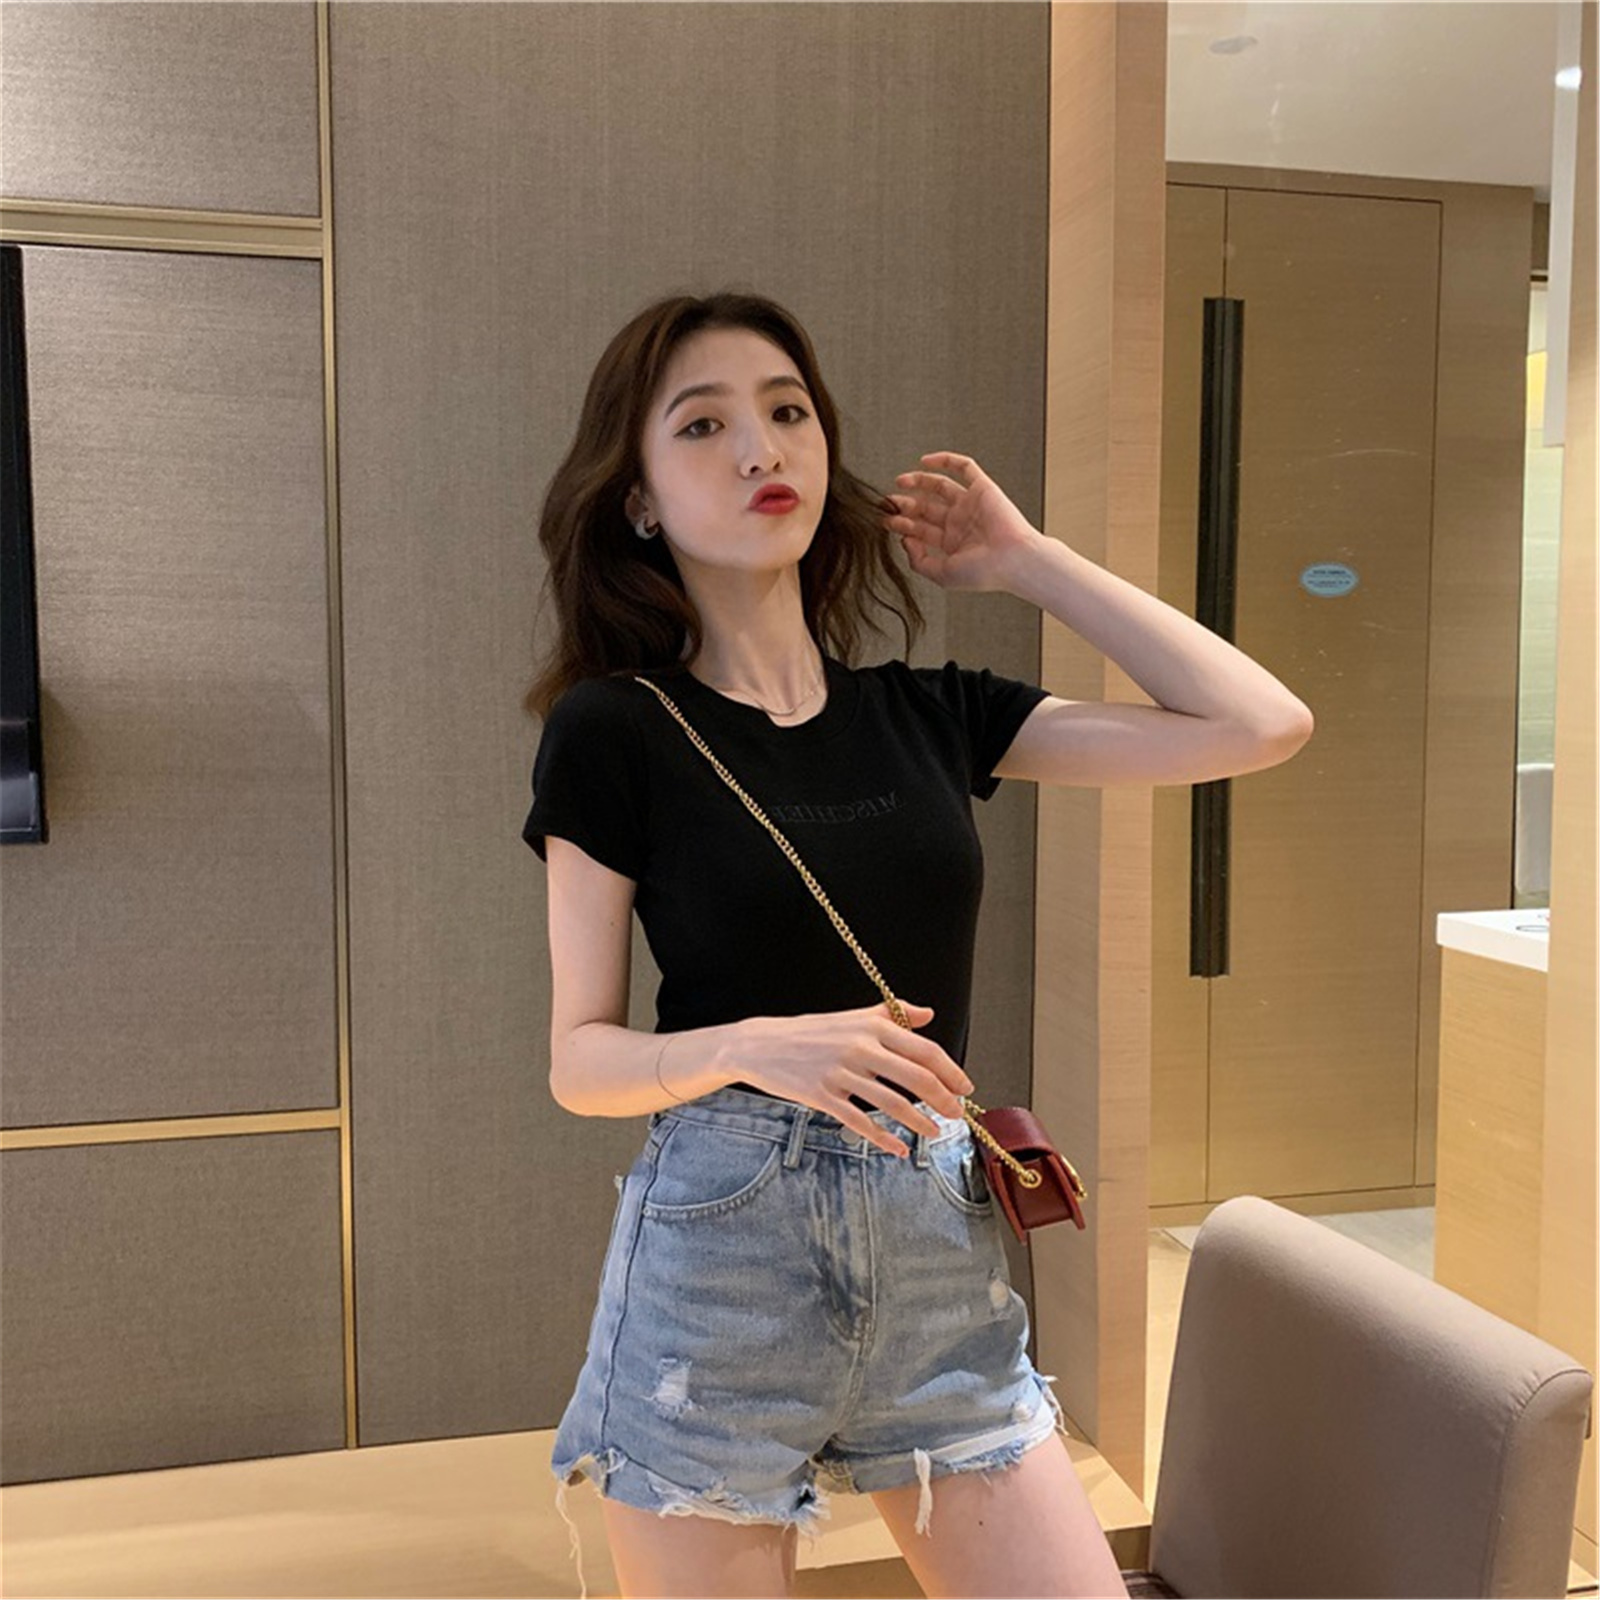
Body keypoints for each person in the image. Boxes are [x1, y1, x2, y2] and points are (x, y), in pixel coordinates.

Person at [521, 291, 1312, 1599]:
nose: (761, 448)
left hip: (938, 1250)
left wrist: (1031, 562)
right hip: (720, 1274)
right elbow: (580, 1061)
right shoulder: (615, 732)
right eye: (704, 425)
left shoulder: (931, 715)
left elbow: (1260, 723)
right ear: (641, 499)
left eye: (787, 411)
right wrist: (756, 1046)